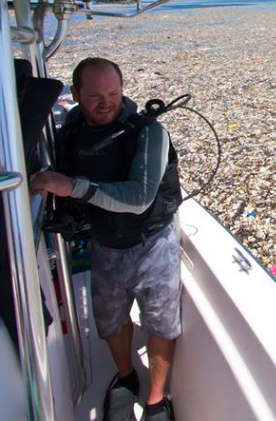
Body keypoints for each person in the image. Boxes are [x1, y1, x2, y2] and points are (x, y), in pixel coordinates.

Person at [31, 58, 182, 421]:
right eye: (95, 95)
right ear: (75, 93)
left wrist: (71, 187)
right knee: (110, 319)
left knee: (161, 321)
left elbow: (140, 197)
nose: (106, 103)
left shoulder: (147, 133)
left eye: (114, 94)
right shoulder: (71, 131)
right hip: (104, 241)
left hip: (152, 243)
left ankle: (156, 400)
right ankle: (126, 376)